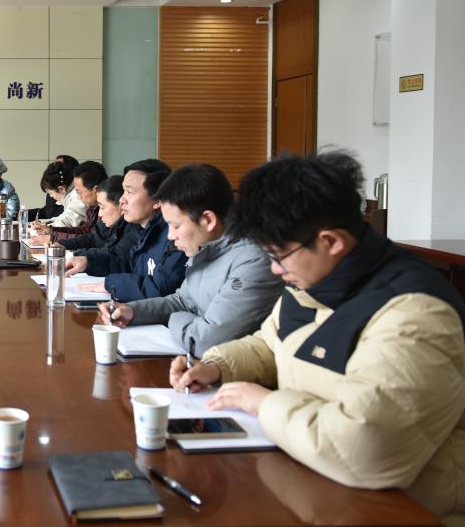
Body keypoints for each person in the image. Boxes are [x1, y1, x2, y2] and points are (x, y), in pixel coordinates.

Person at [171, 152, 465, 520]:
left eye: (279, 255)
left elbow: (366, 450)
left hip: (400, 508)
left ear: (331, 241)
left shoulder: (414, 313)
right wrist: (216, 366)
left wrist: (263, 404)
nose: (275, 270)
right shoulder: (312, 279)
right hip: (314, 480)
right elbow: (269, 343)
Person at [98, 164, 282, 356]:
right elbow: (182, 301)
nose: (170, 236)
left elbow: (203, 341)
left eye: (176, 226)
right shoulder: (205, 247)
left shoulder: (253, 261)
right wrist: (132, 311)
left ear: (208, 220)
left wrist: (174, 319)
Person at [67, 158, 187, 301]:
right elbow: (124, 261)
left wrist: (110, 284)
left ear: (157, 200)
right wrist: (88, 261)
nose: (121, 200)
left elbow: (161, 289)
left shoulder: (176, 235)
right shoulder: (141, 229)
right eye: (123, 191)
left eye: (130, 192)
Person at [31, 160, 106, 244]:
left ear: (95, 190)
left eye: (79, 192)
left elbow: (94, 240)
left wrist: (53, 238)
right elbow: (85, 231)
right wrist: (52, 230)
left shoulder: (107, 209)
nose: (79, 197)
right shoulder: (94, 208)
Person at [65, 175, 138, 257]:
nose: (100, 214)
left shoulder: (133, 231)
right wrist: (63, 245)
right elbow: (93, 238)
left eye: (102, 207)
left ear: (121, 205)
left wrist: (75, 255)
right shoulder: (105, 224)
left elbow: (113, 255)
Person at [31, 160, 87, 228]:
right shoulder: (70, 195)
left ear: (61, 189)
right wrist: (42, 222)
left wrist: (45, 226)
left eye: (51, 193)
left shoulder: (77, 195)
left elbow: (68, 222)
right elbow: (62, 218)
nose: (50, 196)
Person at [27, 154, 77, 221]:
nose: (54, 170)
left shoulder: (76, 196)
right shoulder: (53, 190)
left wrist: (46, 224)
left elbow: (66, 221)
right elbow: (46, 212)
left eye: (59, 167)